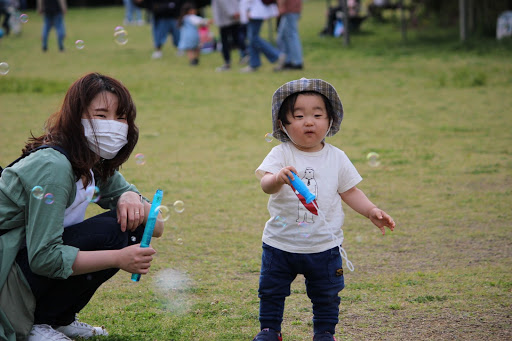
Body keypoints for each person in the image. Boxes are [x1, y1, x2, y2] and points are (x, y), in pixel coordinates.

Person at [0, 72, 166, 341]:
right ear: (76, 118)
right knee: (113, 232)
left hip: (26, 266)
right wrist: (118, 258)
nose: (113, 125)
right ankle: (37, 324)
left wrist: (131, 197)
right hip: (7, 276)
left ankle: (58, 319)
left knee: (127, 226)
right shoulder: (53, 167)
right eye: (101, 115)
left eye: (121, 116)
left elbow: (156, 227)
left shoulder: (92, 161)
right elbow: (44, 258)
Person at [253, 78, 395, 341]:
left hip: (324, 245)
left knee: (327, 293)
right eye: (299, 116)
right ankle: (270, 330)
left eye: (318, 114)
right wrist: (277, 177)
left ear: (330, 121)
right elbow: (265, 185)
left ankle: (324, 333)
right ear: (283, 124)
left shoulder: (337, 157)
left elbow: (350, 191)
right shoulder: (280, 154)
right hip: (280, 243)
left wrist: (371, 210)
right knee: (271, 290)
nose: (309, 121)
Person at [239, 0, 286, 73]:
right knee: (252, 38)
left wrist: (248, 10)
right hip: (256, 11)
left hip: (255, 11)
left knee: (253, 38)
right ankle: (253, 64)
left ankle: (277, 55)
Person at [211, 0, 248, 72]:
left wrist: (232, 13)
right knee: (236, 38)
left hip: (227, 19)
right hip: (233, 17)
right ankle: (245, 53)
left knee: (226, 41)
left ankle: (228, 62)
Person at [177, 2, 212, 66]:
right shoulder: (192, 17)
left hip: (186, 36)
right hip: (194, 35)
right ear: (190, 11)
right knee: (196, 48)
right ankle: (195, 60)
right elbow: (201, 21)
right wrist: (209, 21)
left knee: (189, 49)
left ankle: (191, 60)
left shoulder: (183, 18)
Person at [274, 0, 303, 71]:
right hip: (291, 9)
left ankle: (296, 62)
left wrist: (280, 7)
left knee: (291, 36)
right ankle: (288, 61)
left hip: (289, 10)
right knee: (283, 37)